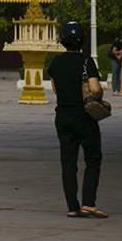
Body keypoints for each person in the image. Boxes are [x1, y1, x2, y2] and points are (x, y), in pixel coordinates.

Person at [48, 19, 106, 218]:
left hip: (63, 115)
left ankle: (72, 206)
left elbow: (55, 88)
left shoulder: (55, 62)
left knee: (68, 162)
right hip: (84, 116)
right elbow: (95, 88)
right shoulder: (86, 61)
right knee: (92, 158)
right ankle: (89, 202)